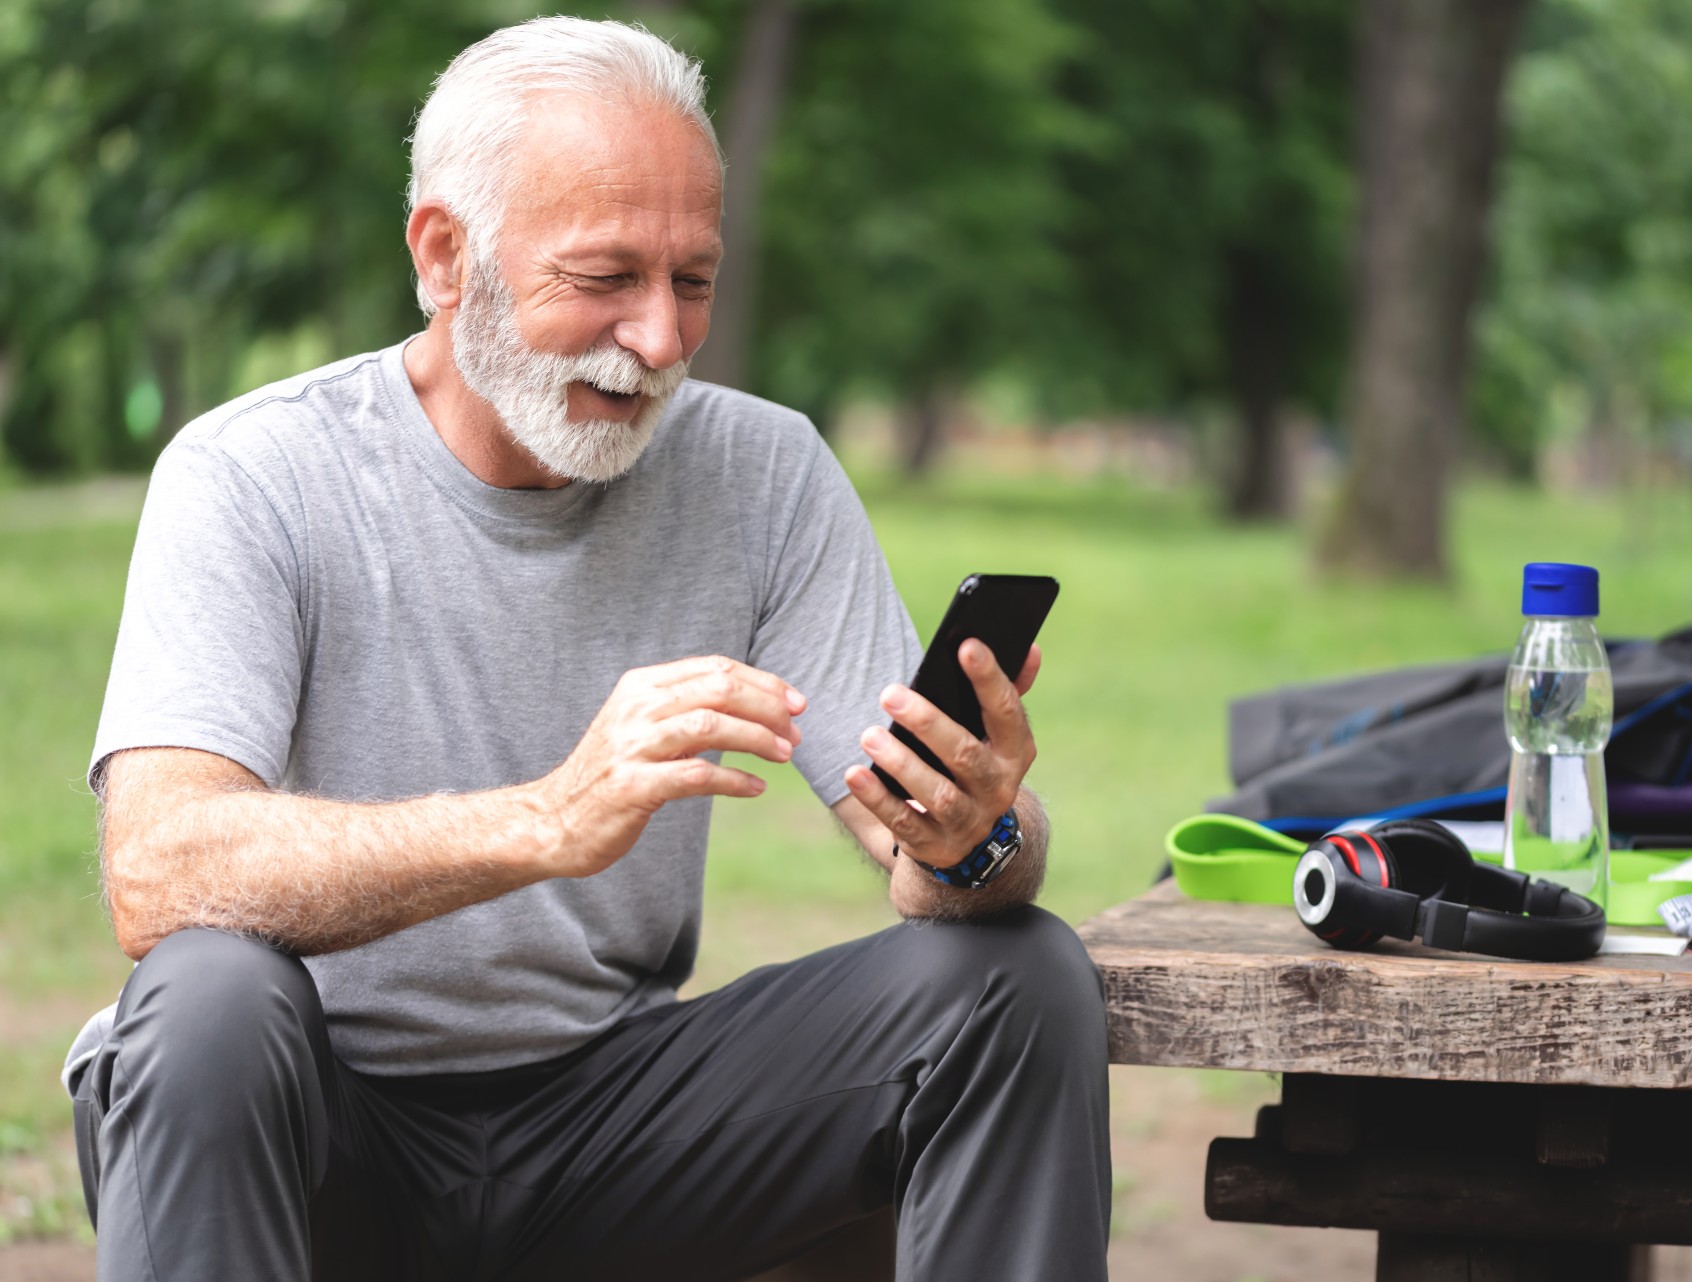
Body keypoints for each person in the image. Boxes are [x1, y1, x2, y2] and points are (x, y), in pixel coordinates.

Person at [64, 17, 1110, 1281]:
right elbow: (159, 870)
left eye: (695, 281)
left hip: (615, 1132)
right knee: (209, 1001)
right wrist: (546, 820)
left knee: (1020, 976)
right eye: (606, 278)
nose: (661, 340)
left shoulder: (764, 473)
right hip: (315, 1135)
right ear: (447, 257)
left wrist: (974, 836)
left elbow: (927, 861)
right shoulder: (254, 474)